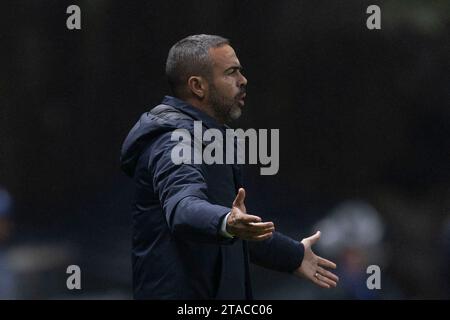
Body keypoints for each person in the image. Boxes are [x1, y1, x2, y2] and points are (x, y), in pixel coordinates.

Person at [120, 34, 338, 299]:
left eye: (241, 71)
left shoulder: (208, 139)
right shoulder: (172, 141)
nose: (243, 80)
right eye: (231, 72)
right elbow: (183, 208)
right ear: (198, 86)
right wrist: (226, 220)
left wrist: (291, 255)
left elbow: (230, 232)